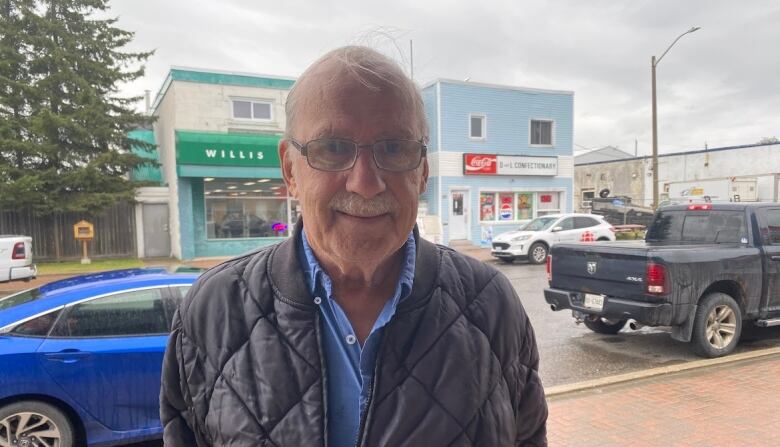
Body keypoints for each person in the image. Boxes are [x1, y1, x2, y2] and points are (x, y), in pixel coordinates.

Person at [160, 46, 547, 446]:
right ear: (290, 169)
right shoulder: (212, 309)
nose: (365, 182)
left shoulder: (492, 307)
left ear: (423, 172)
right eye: (332, 148)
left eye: (394, 148)